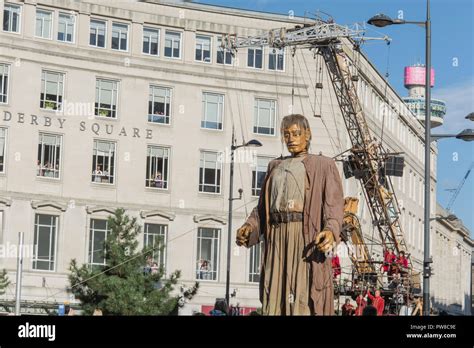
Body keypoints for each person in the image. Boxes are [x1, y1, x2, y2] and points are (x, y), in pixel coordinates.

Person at [235, 114, 344, 315]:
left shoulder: (323, 164)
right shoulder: (274, 166)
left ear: (307, 134)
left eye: (296, 133)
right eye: (286, 134)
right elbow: (261, 210)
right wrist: (249, 227)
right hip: (276, 238)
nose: (291, 139)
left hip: (304, 239)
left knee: (301, 295)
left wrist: (330, 230)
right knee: (274, 296)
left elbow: (334, 207)